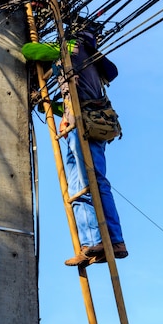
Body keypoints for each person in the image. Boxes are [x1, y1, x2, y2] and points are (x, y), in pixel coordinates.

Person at [58, 31, 127, 267]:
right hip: (80, 124)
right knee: (79, 185)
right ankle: (92, 244)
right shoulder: (90, 62)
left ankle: (105, 241)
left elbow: (30, 51)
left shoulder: (71, 49)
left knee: (90, 181)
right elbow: (79, 94)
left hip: (83, 125)